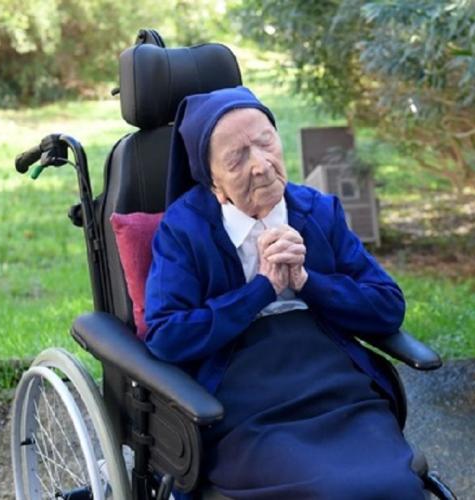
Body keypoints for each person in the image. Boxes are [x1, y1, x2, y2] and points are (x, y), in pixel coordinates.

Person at [144, 86, 425, 499]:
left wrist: (308, 281)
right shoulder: (184, 229)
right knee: (325, 491)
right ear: (213, 181)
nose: (261, 165)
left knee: (390, 484)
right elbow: (167, 335)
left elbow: (387, 306)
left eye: (266, 143)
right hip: (244, 397)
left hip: (334, 384)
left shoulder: (319, 210)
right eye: (237, 158)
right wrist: (262, 289)